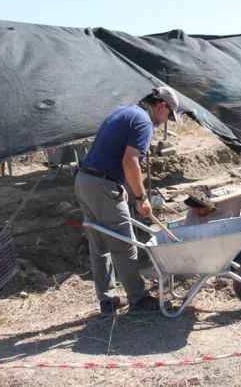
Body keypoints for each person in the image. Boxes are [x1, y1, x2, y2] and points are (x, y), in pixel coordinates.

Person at [74, 86, 180, 314]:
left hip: (85, 181)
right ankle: (139, 299)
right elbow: (130, 161)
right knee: (125, 245)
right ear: (161, 105)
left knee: (99, 245)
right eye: (168, 115)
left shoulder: (125, 111)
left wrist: (132, 194)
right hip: (102, 185)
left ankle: (107, 299)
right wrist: (141, 198)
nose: (166, 121)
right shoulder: (143, 122)